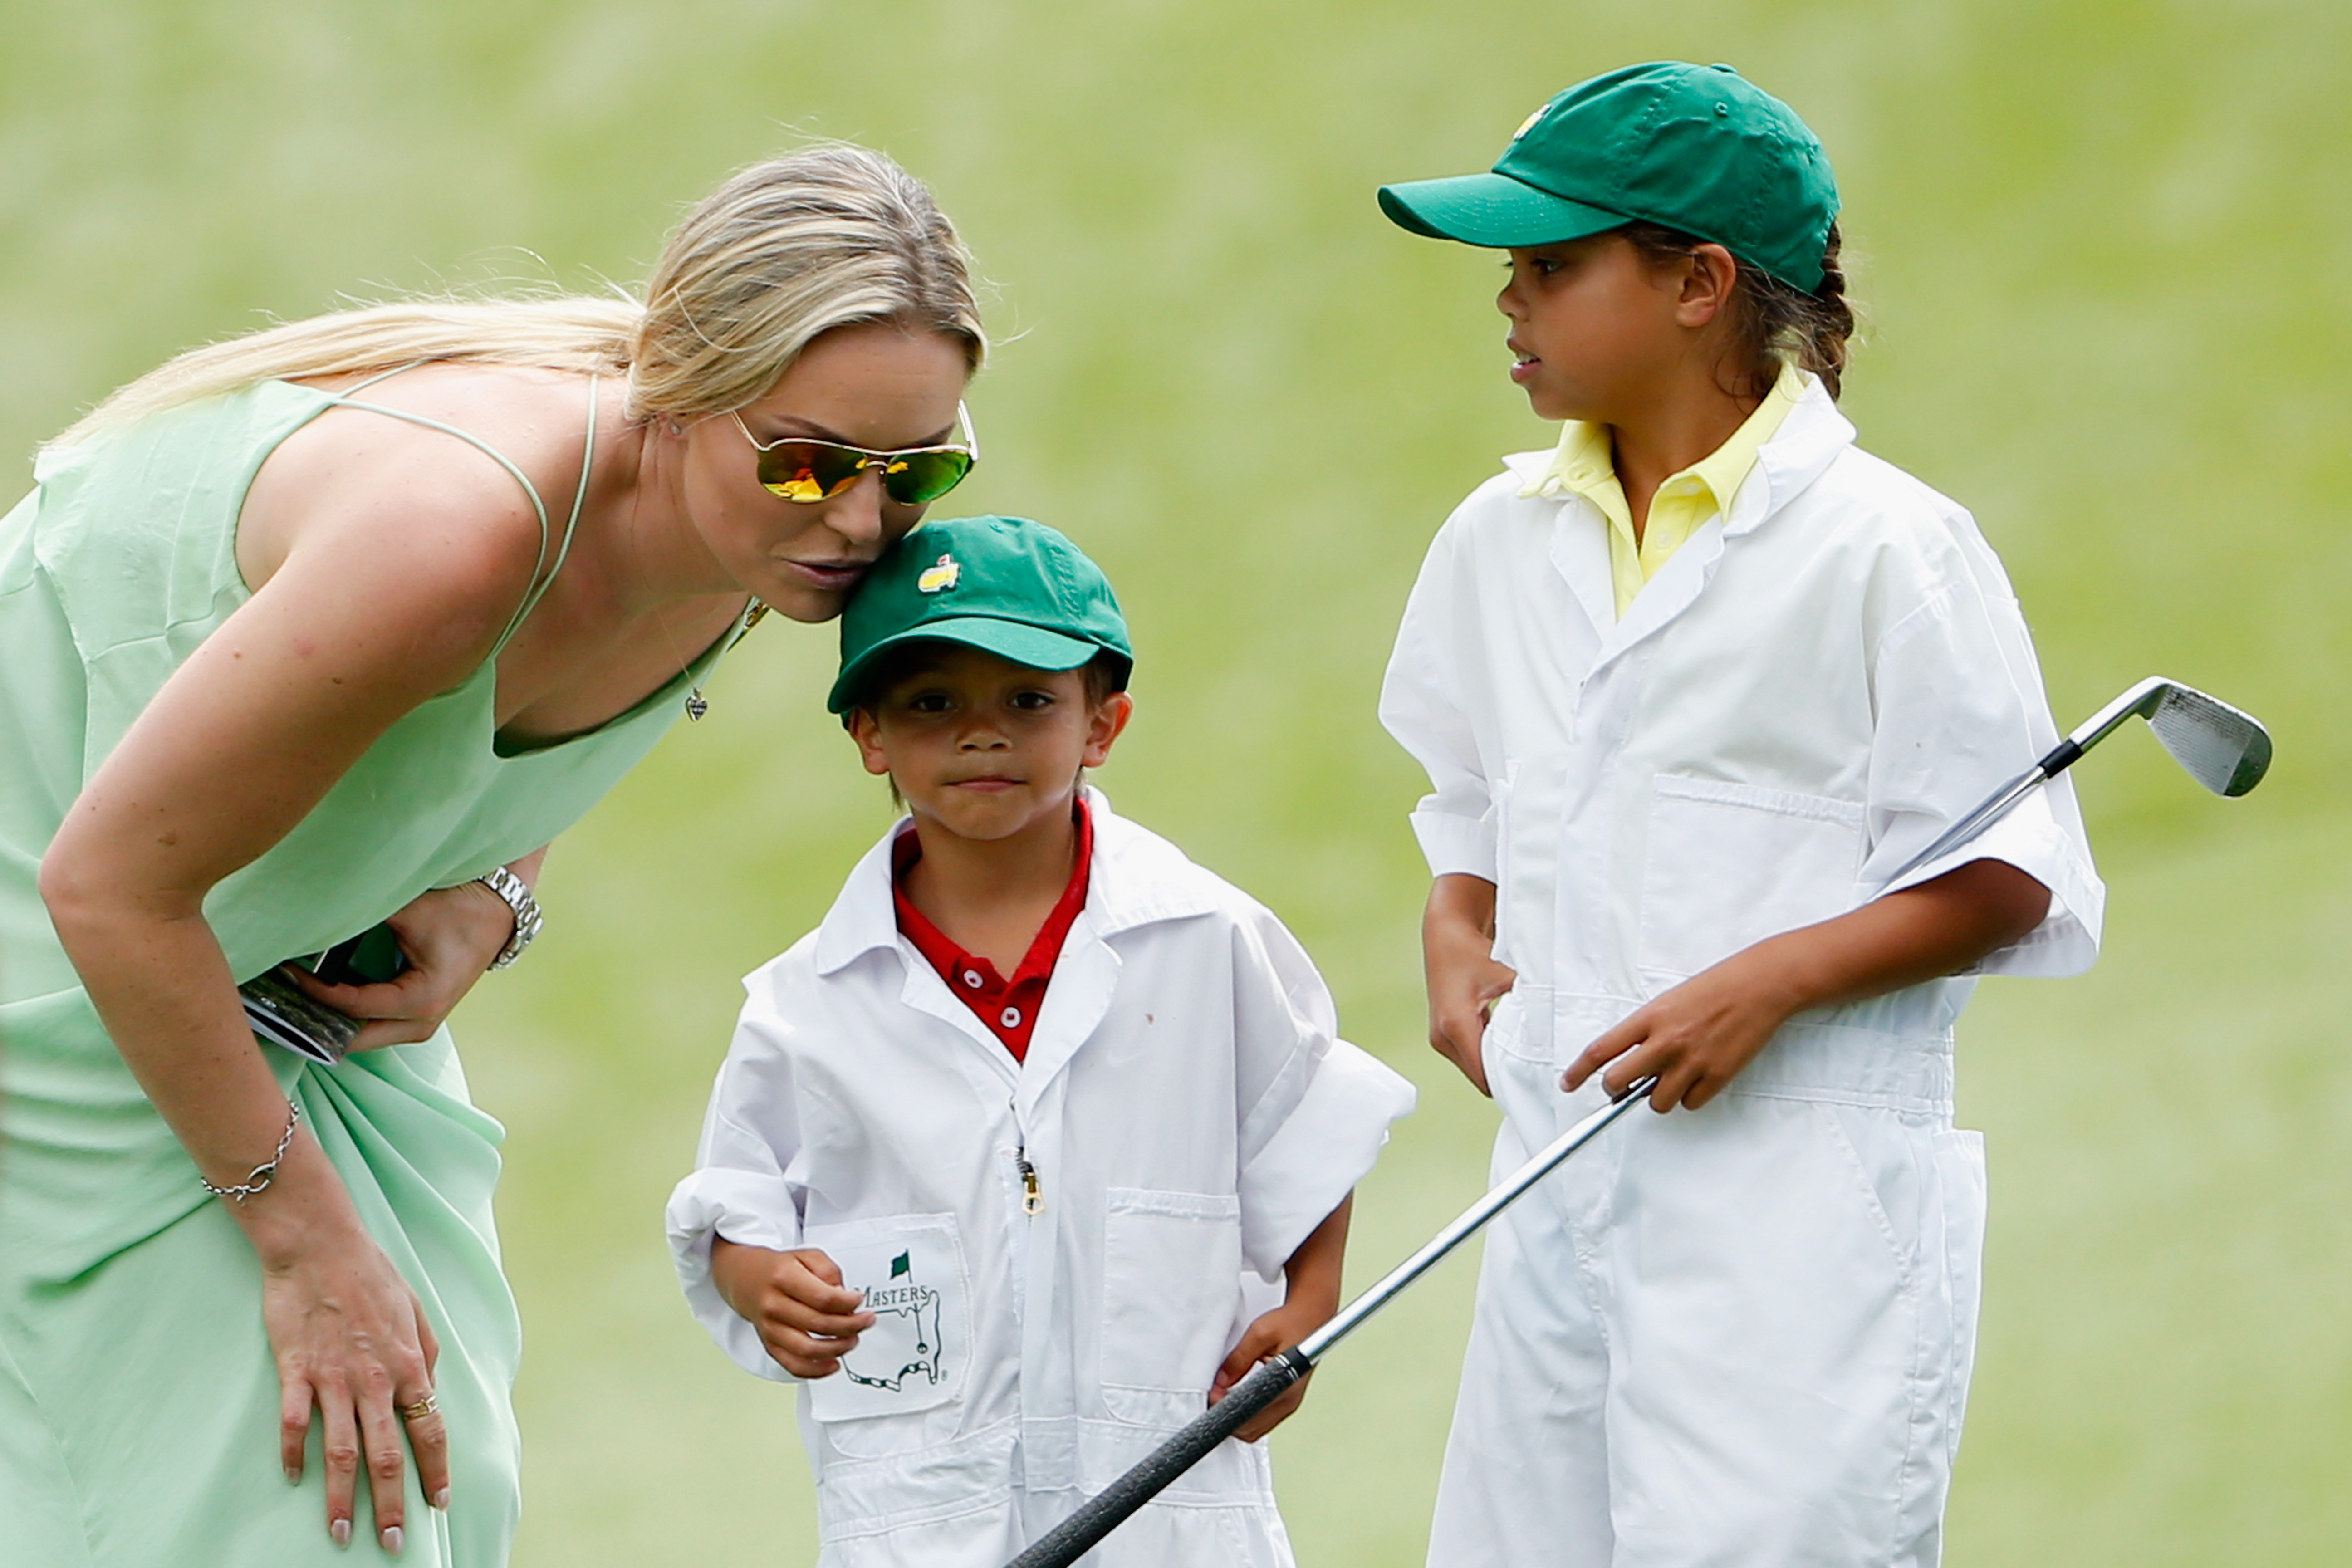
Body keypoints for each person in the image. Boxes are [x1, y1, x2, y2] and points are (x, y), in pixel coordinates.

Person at [1, 145, 986, 1566]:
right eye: (812, 462)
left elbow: (510, 751)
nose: (861, 522)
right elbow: (104, 884)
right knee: (294, 1520)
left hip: (274, 982)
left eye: (917, 470)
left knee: (438, 1500)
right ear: (684, 390)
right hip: (76, 966)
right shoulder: (450, 542)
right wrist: (303, 1245)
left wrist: (498, 895)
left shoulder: (764, 552)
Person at [1373, 63, 2105, 1567]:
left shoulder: (1891, 550)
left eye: (1553, 265)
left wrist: (1773, 978)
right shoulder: (1493, 540)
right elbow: (1469, 798)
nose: (1508, 298)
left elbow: (2009, 873)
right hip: (1554, 1201)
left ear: (1699, 282)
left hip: (1797, 1225)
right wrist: (1456, 927)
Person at [665, 514, 1416, 1566]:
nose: (984, 734)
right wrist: (757, 1280)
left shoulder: (1206, 937)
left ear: (1103, 724)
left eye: (1029, 700)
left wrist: (1311, 1304)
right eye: (933, 704)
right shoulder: (806, 1003)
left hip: (1174, 1509)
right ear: (869, 736)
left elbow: (1305, 1123)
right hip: (920, 1518)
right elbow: (735, 1198)